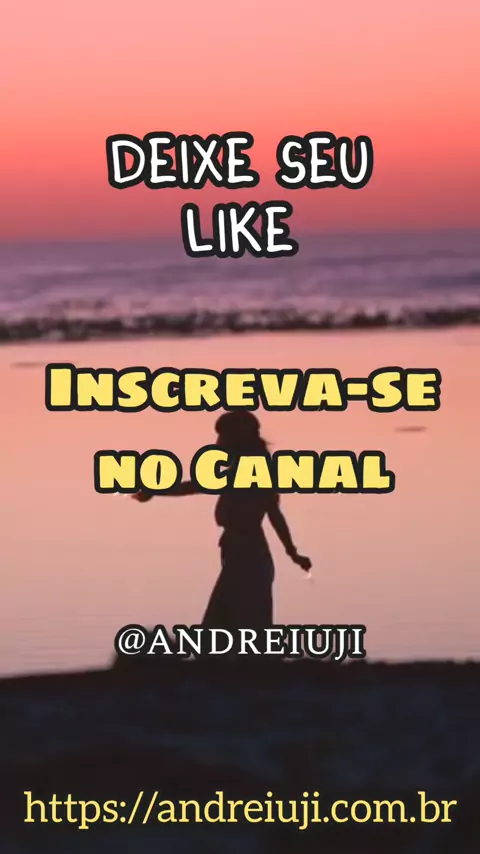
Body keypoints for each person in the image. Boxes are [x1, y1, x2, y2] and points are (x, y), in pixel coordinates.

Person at [133, 411, 311, 629]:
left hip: (248, 559)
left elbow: (273, 514)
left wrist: (292, 552)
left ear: (236, 441)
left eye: (222, 437)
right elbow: (195, 486)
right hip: (243, 555)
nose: (217, 443)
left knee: (223, 626)